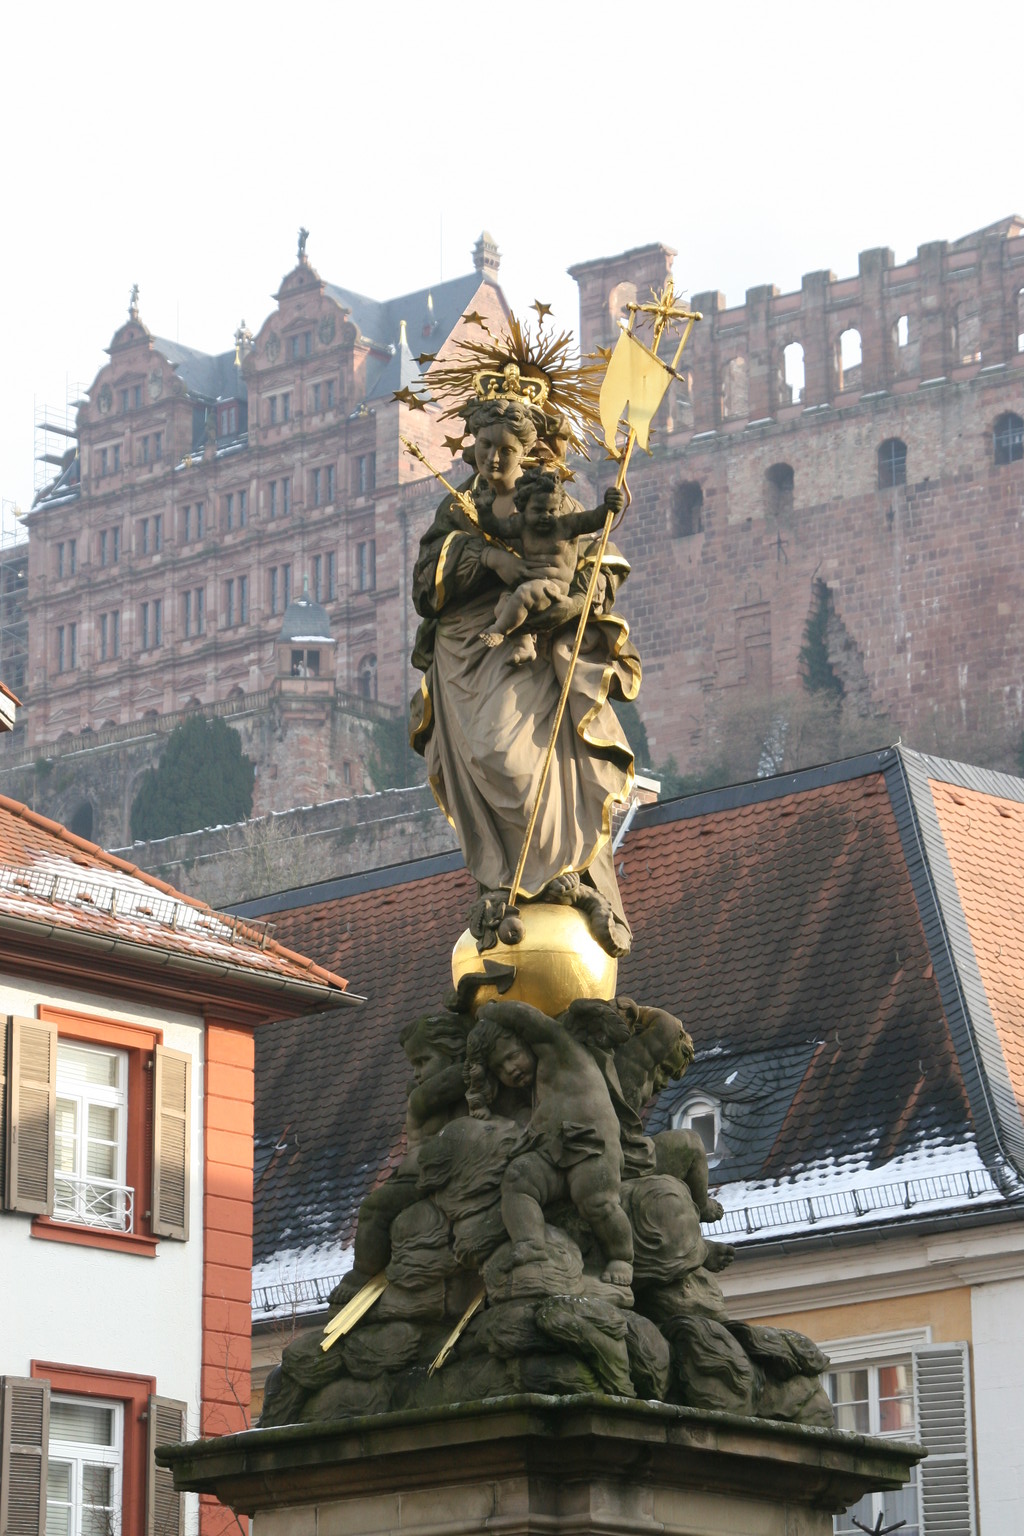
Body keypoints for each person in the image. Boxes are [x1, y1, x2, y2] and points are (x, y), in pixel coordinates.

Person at [409, 386, 641, 957]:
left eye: (506, 449)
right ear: (472, 447)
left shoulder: (551, 499)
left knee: (524, 764)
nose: (494, 458)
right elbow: (425, 584)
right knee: (489, 757)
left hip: (538, 650)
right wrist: (489, 557)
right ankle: (506, 877)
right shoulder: (458, 507)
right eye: (485, 446)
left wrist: (581, 595)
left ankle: (559, 874)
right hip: (469, 654)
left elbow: (597, 556)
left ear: (526, 448)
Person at [465, 999, 634, 1286]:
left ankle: (622, 1257)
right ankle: (531, 1243)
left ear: (527, 1042)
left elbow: (528, 1018)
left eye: (512, 1056)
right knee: (518, 1178)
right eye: (500, 1068)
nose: (510, 1069)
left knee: (596, 1200)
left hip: (593, 1145)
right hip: (556, 1153)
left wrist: (488, 1011)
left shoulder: (559, 1049)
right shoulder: (534, 1085)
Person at [477, 468, 624, 664]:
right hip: (528, 583)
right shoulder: (522, 525)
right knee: (502, 607)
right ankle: (524, 646)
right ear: (523, 507)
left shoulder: (566, 525)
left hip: (554, 587)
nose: (546, 516)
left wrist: (609, 506)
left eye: (552, 511)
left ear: (560, 508)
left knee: (523, 594)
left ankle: (497, 631)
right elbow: (495, 527)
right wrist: (484, 509)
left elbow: (594, 519)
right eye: (538, 510)